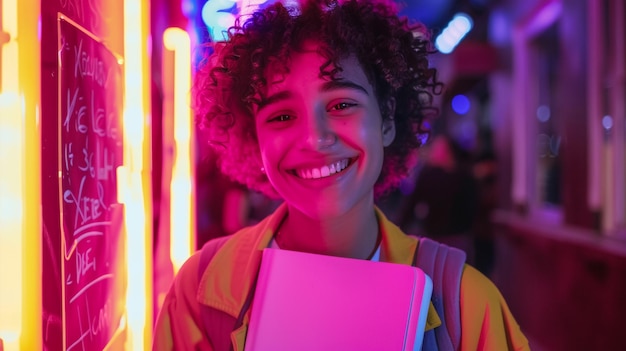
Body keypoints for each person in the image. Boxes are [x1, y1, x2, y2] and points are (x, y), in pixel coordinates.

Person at [153, 1, 529, 350]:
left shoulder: (465, 306)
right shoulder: (200, 293)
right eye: (282, 116)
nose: (315, 138)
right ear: (256, 138)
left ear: (385, 120)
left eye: (342, 104)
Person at [397, 134, 479, 264]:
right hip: (441, 237)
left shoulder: (460, 177)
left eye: (437, 149)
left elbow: (471, 208)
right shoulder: (433, 176)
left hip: (451, 238)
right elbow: (411, 205)